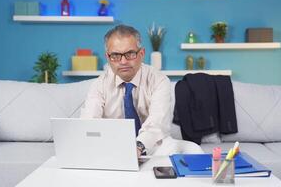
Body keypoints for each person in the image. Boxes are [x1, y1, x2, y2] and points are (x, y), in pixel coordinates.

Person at [80, 24, 202, 157]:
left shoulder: (159, 80)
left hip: (153, 145)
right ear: (108, 57)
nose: (123, 61)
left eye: (130, 54)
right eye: (115, 55)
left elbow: (157, 123)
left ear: (142, 53)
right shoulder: (99, 84)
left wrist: (138, 148)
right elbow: (88, 122)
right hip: (113, 145)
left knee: (193, 149)